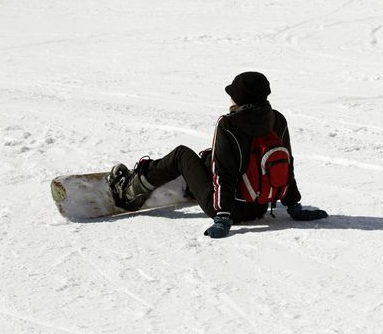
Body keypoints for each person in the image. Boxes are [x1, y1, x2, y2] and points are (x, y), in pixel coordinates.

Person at [108, 72, 328, 238]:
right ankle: (192, 188)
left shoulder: (229, 124)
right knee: (210, 155)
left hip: (229, 210)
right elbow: (285, 164)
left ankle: (129, 193)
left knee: (181, 155)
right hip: (259, 206)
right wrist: (294, 207)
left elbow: (225, 172)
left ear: (240, 98)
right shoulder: (277, 120)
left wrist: (222, 217)